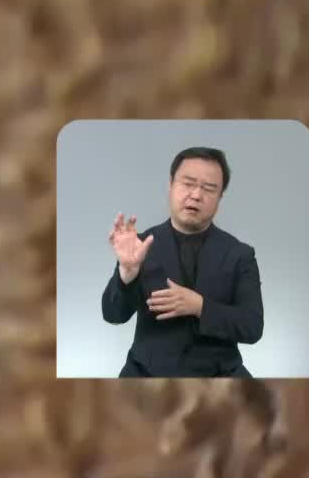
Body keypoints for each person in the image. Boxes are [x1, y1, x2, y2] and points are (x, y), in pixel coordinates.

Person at [101, 146, 265, 377]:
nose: (196, 195)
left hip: (219, 374)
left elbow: (252, 327)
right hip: (147, 372)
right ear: (170, 184)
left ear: (220, 197)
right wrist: (126, 273)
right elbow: (112, 315)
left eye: (209, 189)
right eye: (188, 184)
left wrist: (200, 307)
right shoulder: (140, 245)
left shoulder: (240, 254)